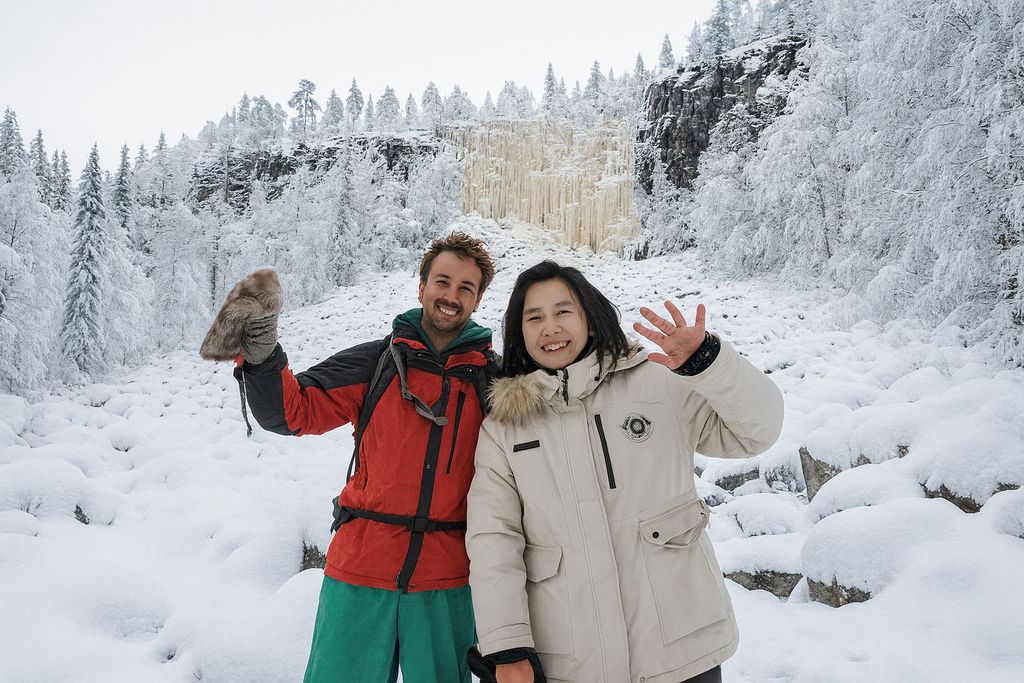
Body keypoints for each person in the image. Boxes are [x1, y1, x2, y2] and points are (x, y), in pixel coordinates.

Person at [466, 260, 784, 683]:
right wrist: (507, 647)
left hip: (682, 648)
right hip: (572, 659)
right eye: (534, 317)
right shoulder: (505, 427)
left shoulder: (660, 383)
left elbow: (758, 432)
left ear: (590, 318)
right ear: (519, 332)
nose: (550, 328)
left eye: (563, 311)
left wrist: (708, 362)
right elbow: (494, 540)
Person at [208, 232, 499, 683]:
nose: (451, 296)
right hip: (361, 569)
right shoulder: (376, 362)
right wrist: (263, 356)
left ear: (477, 300)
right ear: (422, 287)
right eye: (442, 281)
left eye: (466, 287)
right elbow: (293, 411)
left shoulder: (495, 382)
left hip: (447, 581)